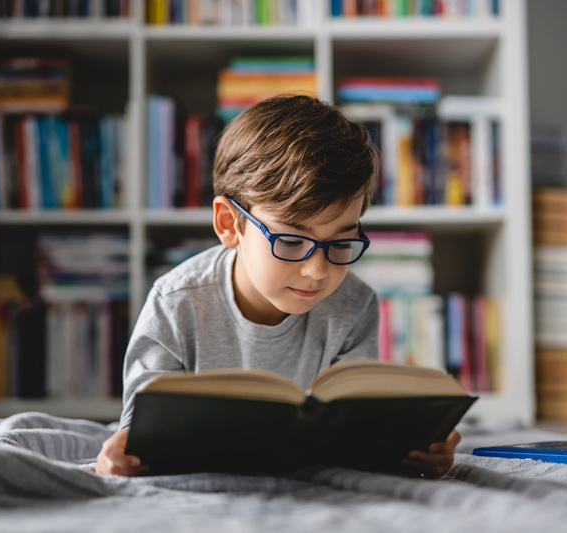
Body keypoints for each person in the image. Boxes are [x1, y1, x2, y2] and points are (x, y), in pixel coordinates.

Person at [95, 94, 461, 478]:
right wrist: (123, 455)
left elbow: (360, 427)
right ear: (228, 224)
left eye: (340, 243)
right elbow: (137, 434)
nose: (317, 270)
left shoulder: (354, 305)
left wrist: (418, 450)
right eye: (290, 241)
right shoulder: (175, 304)